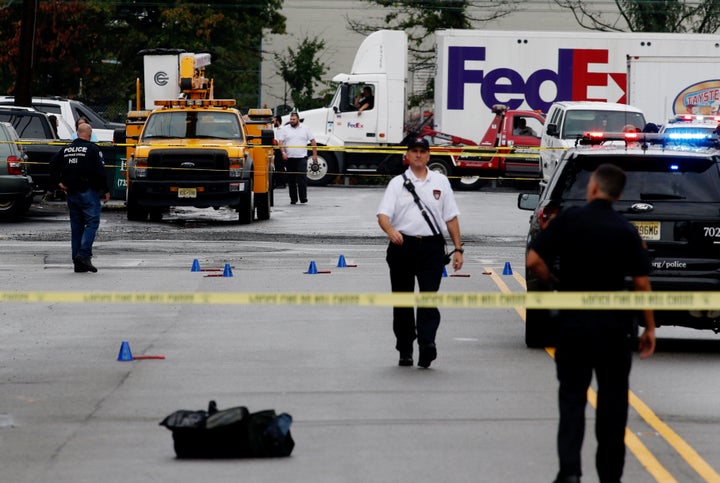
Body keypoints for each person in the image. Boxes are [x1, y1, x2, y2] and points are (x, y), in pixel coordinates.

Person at [525, 163, 656, 483]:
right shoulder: (626, 230)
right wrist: (649, 327)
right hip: (613, 330)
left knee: (571, 400)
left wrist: (554, 283)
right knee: (613, 405)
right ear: (618, 194)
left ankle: (570, 472)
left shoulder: (569, 220)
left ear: (594, 188)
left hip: (574, 326)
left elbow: (533, 260)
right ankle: (610, 476)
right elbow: (641, 283)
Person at [376, 136, 464, 368]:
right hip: (402, 247)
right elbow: (382, 215)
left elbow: (451, 217)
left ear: (428, 156)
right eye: (413, 151)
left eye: (422, 151)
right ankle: (405, 349)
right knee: (403, 301)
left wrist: (458, 248)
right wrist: (391, 231)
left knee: (428, 297)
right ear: (407, 156)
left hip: (431, 248)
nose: (418, 155)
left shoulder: (441, 182)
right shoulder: (397, 183)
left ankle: (427, 344)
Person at [50, 123, 110, 273]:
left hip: (71, 193)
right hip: (87, 192)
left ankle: (78, 263)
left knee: (76, 228)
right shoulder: (92, 149)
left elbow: (52, 164)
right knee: (92, 223)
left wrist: (58, 182)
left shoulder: (66, 149)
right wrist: (106, 190)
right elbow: (100, 171)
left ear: (77, 134)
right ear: (89, 134)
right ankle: (83, 255)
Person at [277, 112, 317, 204]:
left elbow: (313, 141)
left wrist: (314, 155)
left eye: (293, 119)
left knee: (302, 178)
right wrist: (283, 153)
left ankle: (303, 198)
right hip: (289, 158)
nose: (292, 121)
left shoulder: (305, 128)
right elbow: (281, 142)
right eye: (291, 119)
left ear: (298, 119)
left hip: (302, 157)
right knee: (291, 180)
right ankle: (293, 199)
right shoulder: (285, 129)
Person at [272, 116, 286, 189]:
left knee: (280, 166)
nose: (273, 122)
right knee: (276, 166)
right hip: (275, 149)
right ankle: (277, 182)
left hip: (280, 149)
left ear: (277, 121)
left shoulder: (283, 129)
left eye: (274, 120)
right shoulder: (275, 129)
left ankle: (281, 183)